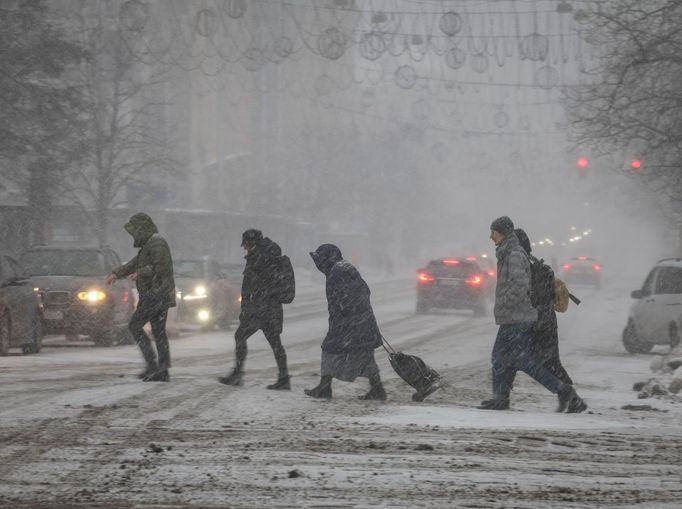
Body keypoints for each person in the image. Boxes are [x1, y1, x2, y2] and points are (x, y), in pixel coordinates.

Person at [479, 216, 586, 412]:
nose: (490, 236)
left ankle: (564, 391)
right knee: (500, 357)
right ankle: (500, 398)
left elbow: (520, 287)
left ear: (502, 233)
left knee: (524, 361)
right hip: (512, 317)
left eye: (493, 232)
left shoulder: (514, 255)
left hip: (518, 318)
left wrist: (505, 302)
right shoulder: (507, 253)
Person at [305, 244, 386, 400]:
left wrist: (346, 313)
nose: (318, 265)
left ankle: (324, 387)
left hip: (350, 322)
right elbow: (364, 291)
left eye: (320, 261)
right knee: (364, 354)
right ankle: (377, 389)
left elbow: (349, 297)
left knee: (329, 349)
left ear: (327, 259)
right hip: (359, 321)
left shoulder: (338, 271)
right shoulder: (343, 269)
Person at [106, 213, 176, 382]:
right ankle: (160, 369)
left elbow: (162, 269)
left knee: (136, 326)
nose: (133, 236)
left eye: (134, 231)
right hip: (154, 295)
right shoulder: (149, 245)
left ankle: (155, 366)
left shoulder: (157, 243)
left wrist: (141, 273)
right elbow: (135, 263)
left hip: (157, 294)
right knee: (157, 332)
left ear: (141, 229)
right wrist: (116, 273)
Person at [218, 229, 290, 390]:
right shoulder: (265, 256)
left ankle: (238, 374)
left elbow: (252, 284)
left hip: (262, 308)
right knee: (275, 343)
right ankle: (284, 377)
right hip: (268, 308)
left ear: (253, 244)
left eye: (247, 245)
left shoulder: (261, 258)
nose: (245, 248)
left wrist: (248, 306)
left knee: (241, 336)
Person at [514, 228, 577, 388]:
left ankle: (570, 395)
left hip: (535, 323)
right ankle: (570, 395)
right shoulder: (536, 264)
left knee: (525, 360)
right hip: (547, 321)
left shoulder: (524, 266)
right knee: (550, 362)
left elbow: (529, 297)